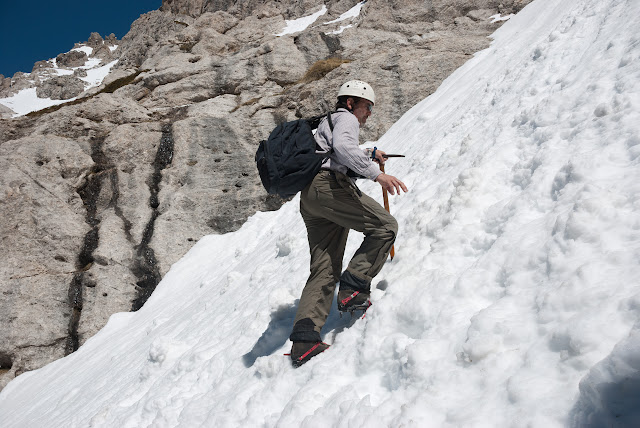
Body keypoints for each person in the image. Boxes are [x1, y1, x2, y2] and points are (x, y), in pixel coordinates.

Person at [289, 80, 408, 367]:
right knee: (385, 227)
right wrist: (375, 174)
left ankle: (304, 340)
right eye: (367, 107)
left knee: (325, 266)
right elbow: (343, 147)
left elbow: (334, 152)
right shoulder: (346, 118)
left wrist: (369, 154)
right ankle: (354, 286)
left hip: (311, 197)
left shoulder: (328, 122)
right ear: (352, 102)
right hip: (330, 187)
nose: (369, 113)